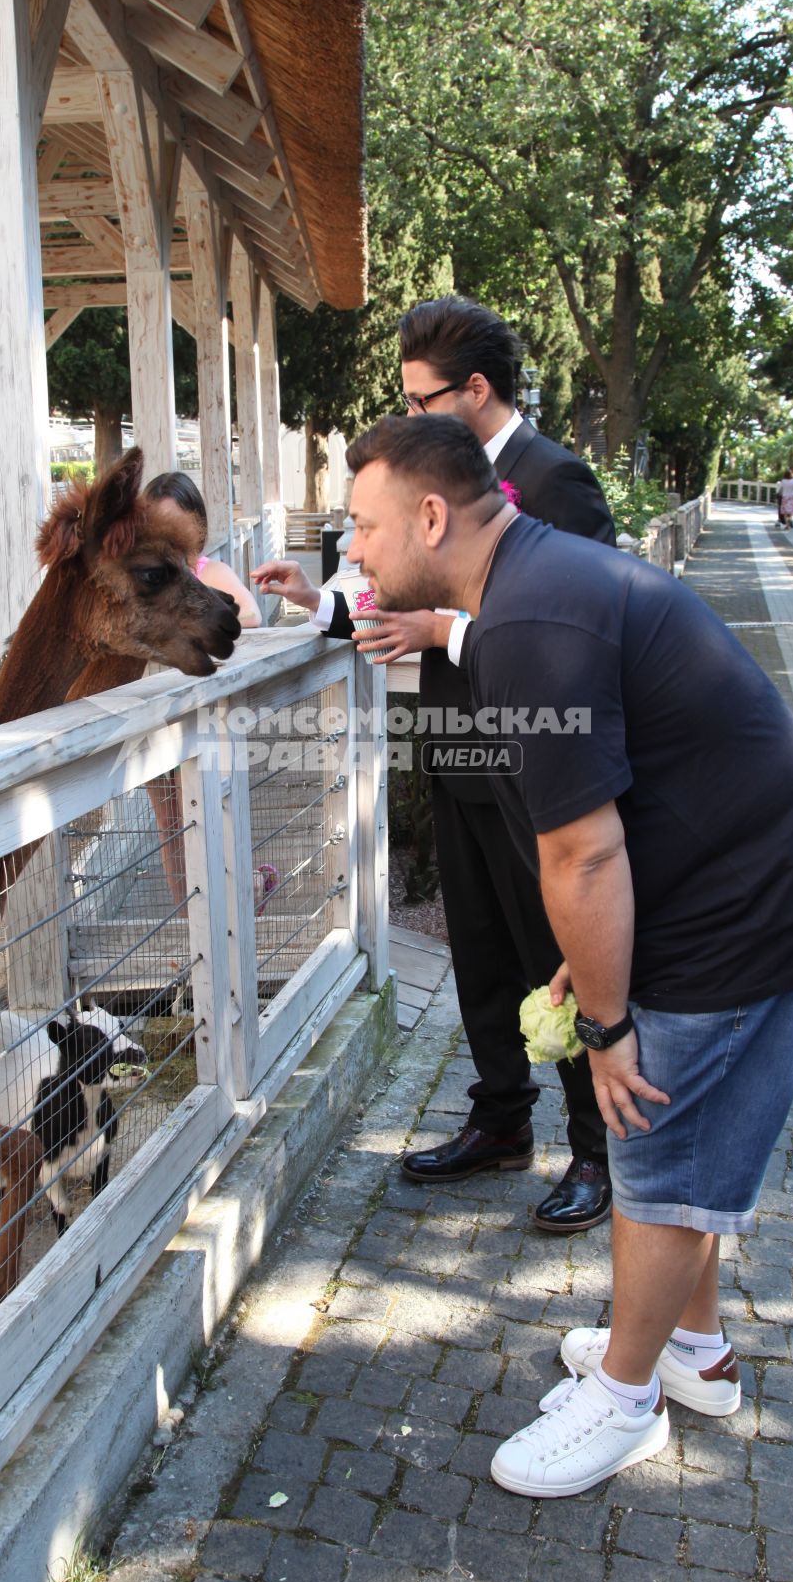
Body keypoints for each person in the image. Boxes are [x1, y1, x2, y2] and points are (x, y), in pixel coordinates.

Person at [340, 413, 793, 1498]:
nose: (351, 548)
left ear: (431, 515)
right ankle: (694, 1354)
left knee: (657, 1160)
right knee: (683, 1149)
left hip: (754, 918)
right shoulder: (534, 582)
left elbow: (581, 853)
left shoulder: (531, 623)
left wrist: (605, 1026)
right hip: (759, 886)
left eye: (361, 524)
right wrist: (590, 974)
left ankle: (626, 1397)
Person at [253, 297, 616, 1235]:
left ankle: (597, 1145)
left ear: (477, 391)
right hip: (454, 756)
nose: (409, 418)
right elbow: (393, 605)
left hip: (539, 765)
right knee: (482, 954)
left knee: (557, 953)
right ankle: (500, 1119)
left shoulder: (555, 481)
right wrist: (321, 607)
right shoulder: (427, 489)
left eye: (421, 401)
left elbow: (578, 632)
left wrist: (446, 629)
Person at [141, 473, 263, 907]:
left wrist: (197, 627)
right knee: (170, 823)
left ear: (197, 528)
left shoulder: (211, 574)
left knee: (216, 812)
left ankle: (238, 899)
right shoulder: (142, 583)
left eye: (176, 525)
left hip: (208, 720)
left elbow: (250, 614)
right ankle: (186, 917)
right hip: (156, 720)